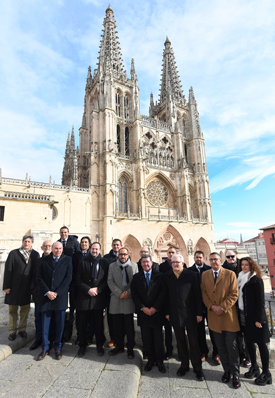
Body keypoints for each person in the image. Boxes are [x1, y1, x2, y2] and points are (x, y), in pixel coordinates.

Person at [201, 252, 241, 389]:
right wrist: (212, 306)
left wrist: (222, 307)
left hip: (228, 316)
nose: (213, 262)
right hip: (213, 317)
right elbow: (204, 293)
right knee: (220, 347)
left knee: (232, 346)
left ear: (220, 260)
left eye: (216, 259)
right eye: (211, 259)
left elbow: (234, 293)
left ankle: (236, 374)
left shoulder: (230, 274)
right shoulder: (205, 275)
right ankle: (227, 371)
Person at [164, 254, 205, 381]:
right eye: (173, 262)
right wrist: (166, 312)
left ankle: (198, 368)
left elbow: (197, 295)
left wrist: (199, 313)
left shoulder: (191, 275)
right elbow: (165, 295)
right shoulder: (167, 276)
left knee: (194, 342)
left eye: (178, 262)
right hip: (175, 313)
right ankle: (184, 365)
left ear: (183, 263)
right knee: (180, 341)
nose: (175, 264)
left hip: (190, 314)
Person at [237, 257, 271, 386]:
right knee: (249, 342)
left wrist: (259, 319)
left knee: (261, 344)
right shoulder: (240, 277)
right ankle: (255, 367)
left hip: (255, 317)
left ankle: (267, 373)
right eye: (242, 265)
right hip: (243, 315)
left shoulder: (256, 280)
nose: (244, 267)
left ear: (252, 266)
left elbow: (261, 301)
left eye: (247, 265)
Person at [37, 242, 72, 361]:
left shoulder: (68, 260)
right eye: (56, 248)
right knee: (45, 325)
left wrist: (57, 293)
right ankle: (45, 347)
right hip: (46, 297)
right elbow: (39, 277)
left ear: (63, 249)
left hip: (60, 298)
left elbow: (68, 278)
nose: (58, 250)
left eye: (60, 248)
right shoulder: (44, 260)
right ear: (52, 249)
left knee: (59, 325)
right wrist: (48, 292)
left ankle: (57, 347)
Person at [131, 254, 166, 373]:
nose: (146, 264)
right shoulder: (136, 277)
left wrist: (155, 308)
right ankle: (150, 360)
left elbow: (163, 293)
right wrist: (142, 308)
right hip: (143, 313)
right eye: (143, 262)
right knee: (146, 338)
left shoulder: (160, 276)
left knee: (158, 338)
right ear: (140, 264)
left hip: (156, 313)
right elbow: (134, 295)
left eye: (147, 262)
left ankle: (160, 361)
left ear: (151, 263)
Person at [3, 234, 40, 341]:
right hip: (14, 287)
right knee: (12, 310)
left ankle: (22, 329)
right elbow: (8, 270)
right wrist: (6, 286)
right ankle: (12, 330)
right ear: (22, 242)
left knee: (25, 310)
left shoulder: (35, 255)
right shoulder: (14, 253)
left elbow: (36, 272)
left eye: (29, 241)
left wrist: (34, 288)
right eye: (25, 241)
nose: (26, 243)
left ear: (32, 243)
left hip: (27, 288)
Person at [76, 242, 109, 357]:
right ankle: (82, 345)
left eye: (97, 249)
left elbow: (106, 280)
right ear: (90, 249)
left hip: (98, 298)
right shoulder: (83, 262)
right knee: (82, 323)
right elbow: (78, 279)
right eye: (93, 249)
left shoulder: (105, 263)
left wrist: (98, 289)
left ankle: (99, 345)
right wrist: (88, 289)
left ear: (100, 250)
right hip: (84, 298)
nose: (94, 251)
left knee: (98, 324)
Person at [189, 250, 220, 364]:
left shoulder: (209, 269)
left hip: (210, 305)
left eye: (200, 257)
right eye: (197, 257)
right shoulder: (189, 271)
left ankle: (216, 353)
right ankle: (204, 352)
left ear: (203, 258)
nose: (198, 259)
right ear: (194, 258)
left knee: (213, 330)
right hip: (197, 306)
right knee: (200, 331)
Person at [107, 247, 138, 359]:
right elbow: (110, 281)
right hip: (116, 299)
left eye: (125, 254)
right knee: (117, 326)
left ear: (128, 254)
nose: (123, 256)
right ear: (118, 255)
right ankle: (119, 346)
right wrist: (119, 293)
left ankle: (130, 348)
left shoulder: (134, 266)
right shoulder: (112, 266)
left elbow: (136, 282)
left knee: (129, 327)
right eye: (121, 254)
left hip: (128, 300)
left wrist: (128, 293)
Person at [223, 250, 251, 368]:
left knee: (247, 334)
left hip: (243, 307)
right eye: (228, 256)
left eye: (232, 256)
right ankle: (240, 355)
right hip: (231, 307)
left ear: (236, 256)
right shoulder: (223, 269)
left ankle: (248, 357)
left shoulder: (243, 270)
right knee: (236, 334)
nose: (230, 258)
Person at [29, 240, 52, 350]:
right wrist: (33, 290)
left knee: (48, 319)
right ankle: (38, 339)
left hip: (49, 296)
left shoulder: (54, 260)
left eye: (49, 246)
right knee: (38, 318)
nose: (47, 247)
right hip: (38, 294)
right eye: (45, 246)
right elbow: (33, 277)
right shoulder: (37, 261)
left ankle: (48, 340)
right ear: (42, 248)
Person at [58, 226, 80, 339]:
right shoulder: (57, 243)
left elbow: (79, 256)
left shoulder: (74, 242)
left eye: (65, 232)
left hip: (73, 277)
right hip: (62, 277)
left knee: (73, 303)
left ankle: (71, 327)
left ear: (68, 233)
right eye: (62, 232)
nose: (63, 234)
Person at [72, 236, 92, 345]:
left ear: (89, 244)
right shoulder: (75, 256)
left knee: (89, 316)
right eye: (82, 242)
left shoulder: (93, 255)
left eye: (86, 242)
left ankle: (89, 336)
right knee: (79, 315)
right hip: (78, 289)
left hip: (89, 290)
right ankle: (80, 336)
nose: (83, 244)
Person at [103, 238, 122, 348]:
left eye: (117, 245)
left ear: (120, 246)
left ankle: (121, 339)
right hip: (110, 293)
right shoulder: (106, 258)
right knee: (111, 317)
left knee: (122, 317)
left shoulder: (124, 257)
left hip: (122, 293)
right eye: (114, 245)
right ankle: (112, 338)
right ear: (112, 246)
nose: (116, 247)